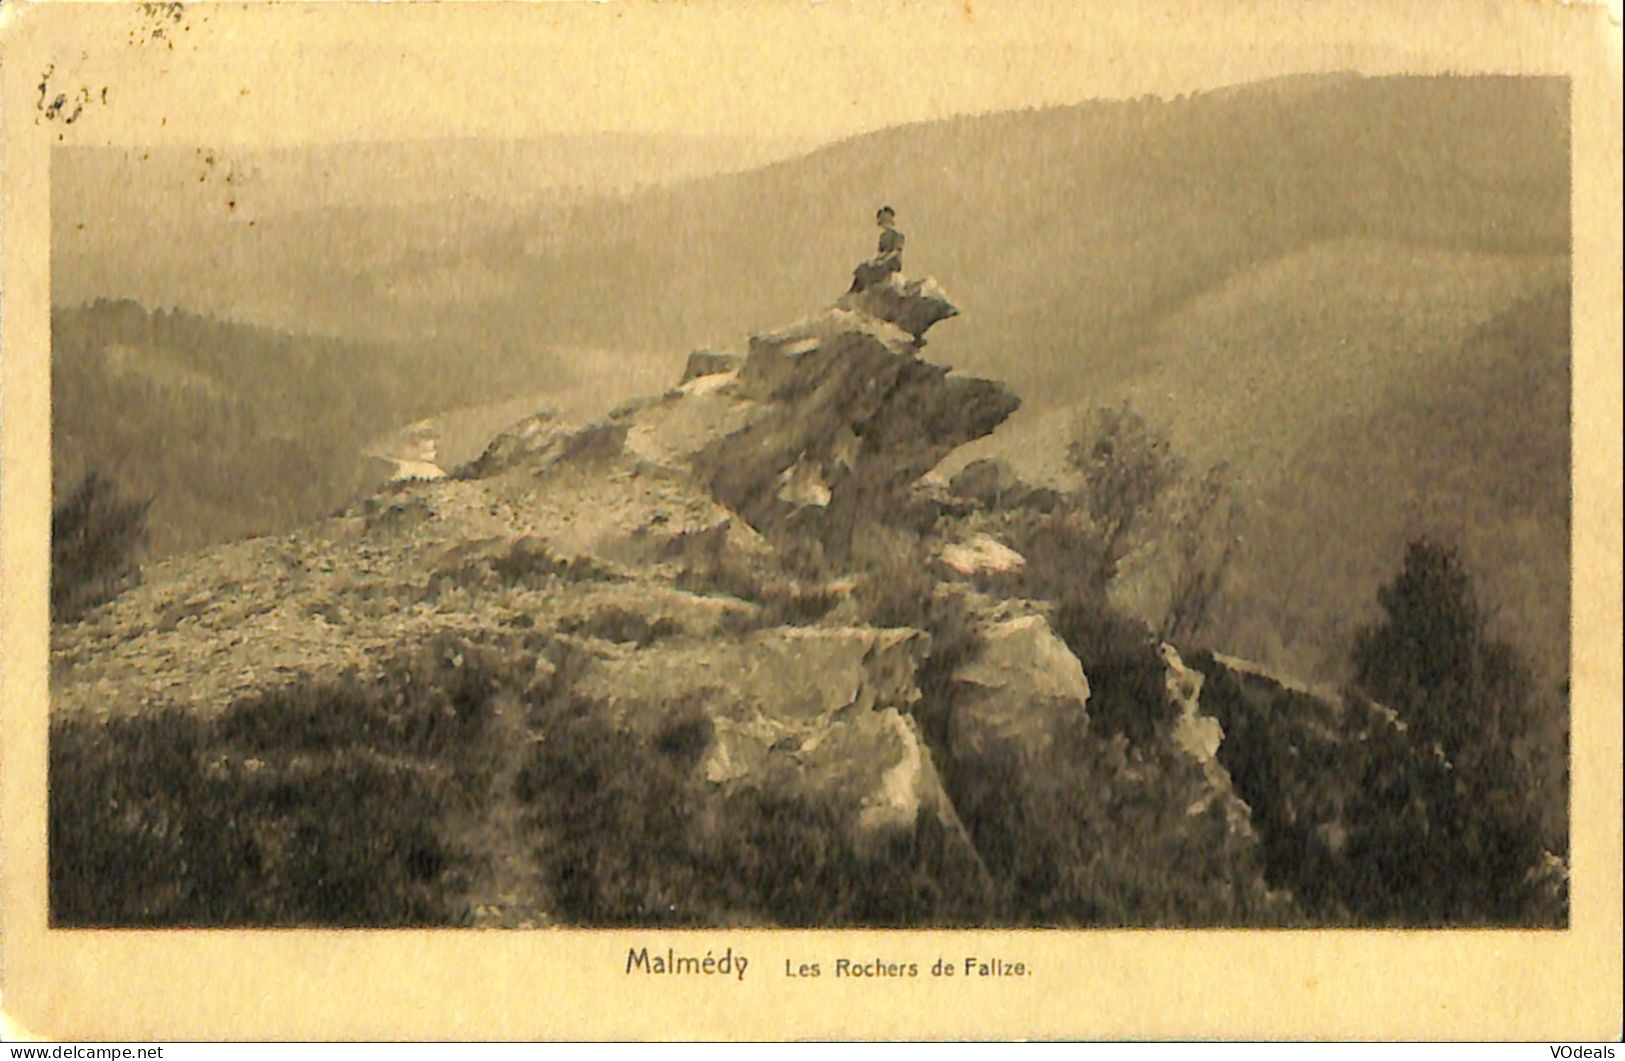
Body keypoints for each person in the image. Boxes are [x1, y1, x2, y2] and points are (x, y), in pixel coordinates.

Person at [848, 205, 905, 293]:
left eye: (885, 222)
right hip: (884, 261)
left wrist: (884, 260)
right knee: (864, 267)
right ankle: (855, 290)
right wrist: (874, 261)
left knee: (876, 270)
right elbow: (880, 252)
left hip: (893, 263)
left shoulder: (897, 235)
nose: (884, 225)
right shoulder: (882, 236)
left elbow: (896, 251)